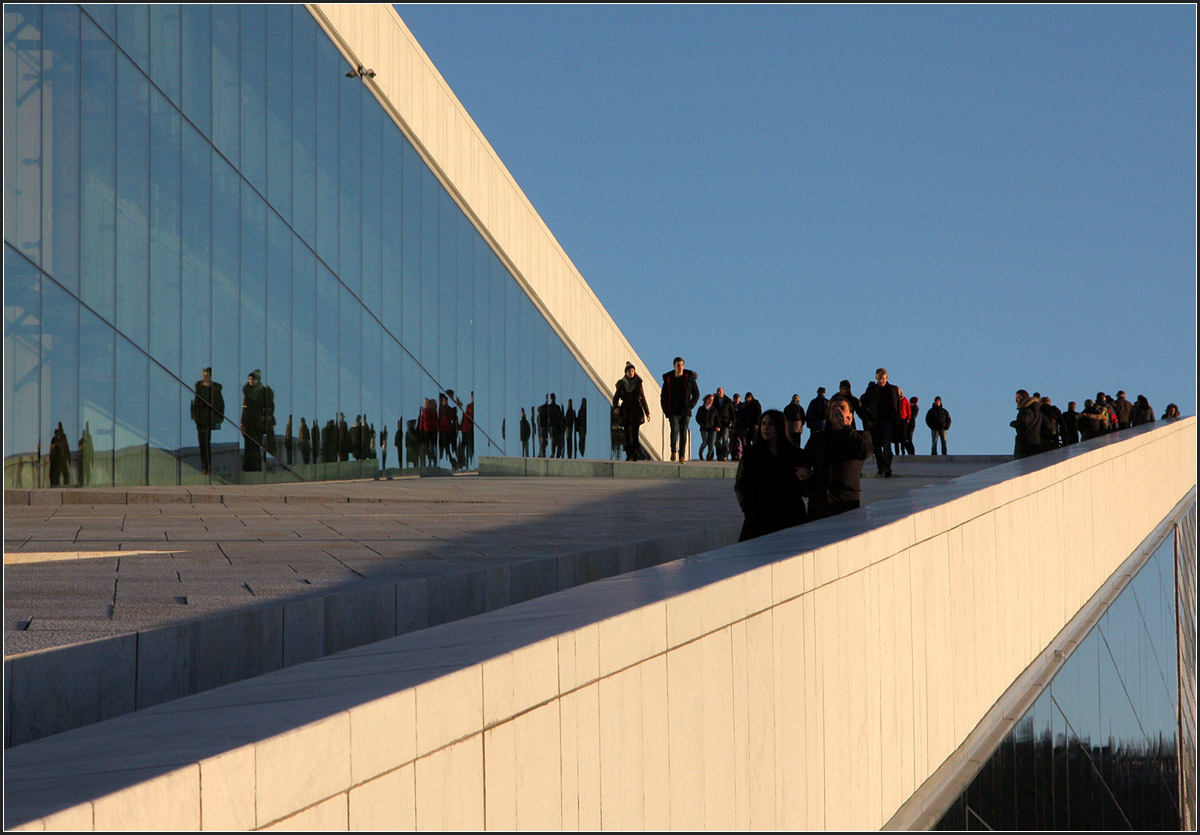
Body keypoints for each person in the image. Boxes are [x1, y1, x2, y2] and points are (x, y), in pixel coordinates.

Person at [734, 409, 807, 541]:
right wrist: (748, 510)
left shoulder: (795, 454)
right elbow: (740, 484)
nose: (765, 428)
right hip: (758, 520)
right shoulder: (751, 454)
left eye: (770, 424)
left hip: (790, 519)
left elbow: (804, 487)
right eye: (763, 424)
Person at [803, 398, 872, 520]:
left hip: (846, 505)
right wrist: (809, 488)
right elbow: (803, 465)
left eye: (841, 408)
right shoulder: (818, 438)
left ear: (850, 416)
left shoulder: (861, 436)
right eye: (833, 408)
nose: (837, 411)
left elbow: (864, 452)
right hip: (819, 507)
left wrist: (844, 427)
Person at [859, 368, 900, 477]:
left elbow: (898, 408)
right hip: (875, 423)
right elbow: (863, 407)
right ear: (876, 378)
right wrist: (868, 421)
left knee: (887, 447)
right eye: (879, 379)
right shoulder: (871, 390)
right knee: (876, 448)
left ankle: (887, 467)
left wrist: (897, 421)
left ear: (886, 378)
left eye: (883, 378)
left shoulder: (893, 389)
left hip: (888, 422)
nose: (881, 381)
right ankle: (881, 467)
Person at [660, 356, 700, 462]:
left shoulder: (689, 379)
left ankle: (682, 455)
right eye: (678, 365)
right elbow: (663, 396)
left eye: (682, 365)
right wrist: (666, 411)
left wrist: (690, 405)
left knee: (683, 433)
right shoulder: (669, 380)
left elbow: (696, 393)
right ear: (674, 366)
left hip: (685, 411)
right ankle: (673, 451)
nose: (680, 367)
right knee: (674, 430)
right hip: (673, 410)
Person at [612, 362, 650, 461]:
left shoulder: (638, 383)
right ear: (626, 372)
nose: (631, 372)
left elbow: (643, 398)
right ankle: (629, 454)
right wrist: (616, 407)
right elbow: (615, 398)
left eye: (632, 371)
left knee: (635, 433)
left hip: (636, 411)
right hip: (626, 412)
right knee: (627, 435)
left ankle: (635, 454)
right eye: (629, 371)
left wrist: (647, 412)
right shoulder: (621, 384)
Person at [190, 367, 224, 476]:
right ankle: (204, 466)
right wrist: (195, 416)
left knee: (208, 443)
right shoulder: (199, 388)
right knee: (202, 444)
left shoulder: (215, 389)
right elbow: (195, 403)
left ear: (211, 376)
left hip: (210, 419)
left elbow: (220, 404)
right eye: (204, 375)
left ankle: (209, 466)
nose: (205, 377)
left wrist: (218, 418)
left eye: (207, 375)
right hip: (200, 419)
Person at [240, 369, 274, 471]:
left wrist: (265, 417)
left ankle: (256, 468)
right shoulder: (247, 391)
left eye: (253, 379)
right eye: (249, 379)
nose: (251, 381)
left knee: (256, 446)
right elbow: (244, 409)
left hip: (258, 423)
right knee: (248, 447)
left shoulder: (264, 392)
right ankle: (249, 469)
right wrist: (242, 422)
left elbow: (270, 407)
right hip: (248, 423)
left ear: (258, 380)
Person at [1010, 390, 1043, 459]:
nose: (1016, 400)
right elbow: (1047, 425)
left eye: (1018, 397)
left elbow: (1022, 424)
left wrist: (1013, 423)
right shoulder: (1038, 412)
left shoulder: (1025, 410)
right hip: (1036, 443)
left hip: (1024, 446)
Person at [713, 386, 735, 461]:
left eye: (720, 392)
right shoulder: (714, 401)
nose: (719, 393)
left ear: (723, 392)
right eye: (718, 391)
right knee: (717, 440)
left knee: (725, 439)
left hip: (725, 423)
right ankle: (719, 455)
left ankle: (725, 455)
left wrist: (732, 423)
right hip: (716, 424)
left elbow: (732, 413)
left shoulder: (728, 401)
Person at [695, 393, 718, 461]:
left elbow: (717, 419)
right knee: (705, 441)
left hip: (712, 428)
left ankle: (709, 456)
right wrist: (702, 424)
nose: (711, 401)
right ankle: (700, 453)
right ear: (706, 400)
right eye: (709, 399)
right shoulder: (701, 408)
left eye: (712, 400)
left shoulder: (714, 409)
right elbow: (697, 418)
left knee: (712, 443)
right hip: (704, 428)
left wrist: (718, 426)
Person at [49, 422, 71, 487]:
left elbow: (66, 447)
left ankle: (65, 487)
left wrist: (69, 458)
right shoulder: (54, 439)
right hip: (57, 460)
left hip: (62, 459)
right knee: (57, 476)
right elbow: (51, 450)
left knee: (65, 475)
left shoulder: (63, 437)